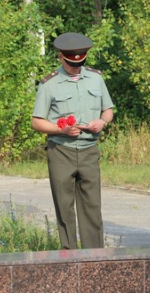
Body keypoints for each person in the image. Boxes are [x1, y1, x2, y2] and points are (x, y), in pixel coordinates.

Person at [32, 32, 114, 249]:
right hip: (61, 150)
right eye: (71, 63)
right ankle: (69, 253)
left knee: (92, 207)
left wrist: (102, 122)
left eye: (79, 63)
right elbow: (37, 122)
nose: (75, 67)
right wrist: (62, 130)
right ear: (61, 57)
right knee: (64, 206)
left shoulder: (96, 79)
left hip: (89, 149)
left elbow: (108, 110)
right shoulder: (49, 84)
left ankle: (94, 255)